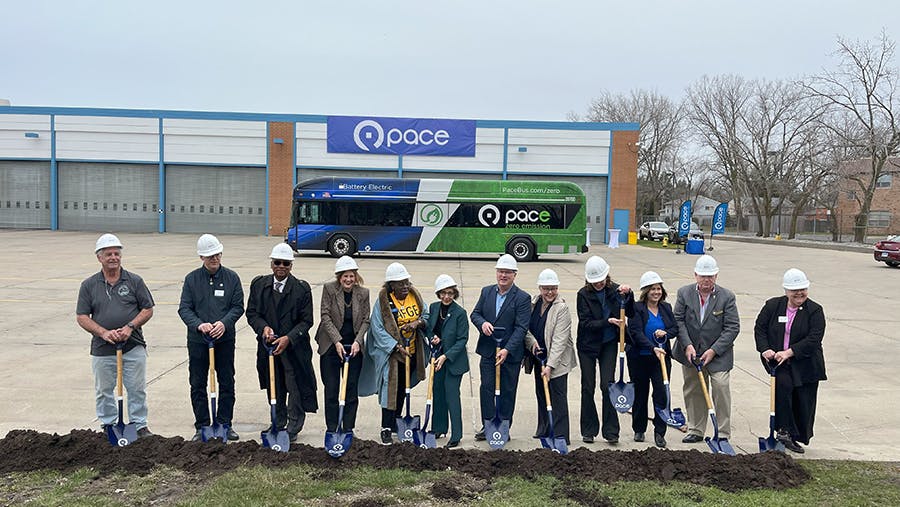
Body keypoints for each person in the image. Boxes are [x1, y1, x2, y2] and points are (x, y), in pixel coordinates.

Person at [76, 234, 155, 437]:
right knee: (104, 390)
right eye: (108, 254)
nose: (113, 257)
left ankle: (139, 425)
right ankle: (109, 425)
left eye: (116, 253)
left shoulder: (135, 281)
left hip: (132, 345)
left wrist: (130, 326)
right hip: (103, 348)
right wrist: (103, 332)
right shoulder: (89, 285)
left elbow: (147, 309)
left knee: (137, 388)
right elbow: (82, 316)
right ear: (99, 257)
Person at [246, 243, 317, 442]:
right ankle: (278, 420)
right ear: (271, 264)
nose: (281, 266)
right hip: (269, 348)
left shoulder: (301, 289)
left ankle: (294, 425)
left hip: (294, 349)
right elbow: (252, 313)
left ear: (291, 266)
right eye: (277, 262)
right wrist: (263, 329)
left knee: (295, 387)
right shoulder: (259, 285)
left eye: (286, 263)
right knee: (274, 385)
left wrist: (289, 338)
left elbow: (307, 320)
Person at [178, 234, 244, 441]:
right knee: (197, 383)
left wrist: (224, 323)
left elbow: (238, 307)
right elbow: (184, 309)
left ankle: (225, 423)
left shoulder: (232, 278)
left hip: (224, 340)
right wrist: (199, 325)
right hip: (198, 341)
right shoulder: (191, 279)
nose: (214, 259)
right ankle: (202, 425)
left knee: (226, 381)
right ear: (201, 258)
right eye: (209, 256)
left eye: (216, 255)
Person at [754, 268, 826, 454]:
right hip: (778, 361)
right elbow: (760, 329)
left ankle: (796, 435)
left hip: (805, 362)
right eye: (795, 290)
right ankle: (784, 431)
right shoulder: (772, 306)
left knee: (803, 399)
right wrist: (765, 349)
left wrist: (790, 352)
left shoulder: (815, 310)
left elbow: (814, 338)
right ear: (786, 290)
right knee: (783, 388)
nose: (799, 293)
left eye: (803, 289)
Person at [672, 254, 740, 445]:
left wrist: (714, 350)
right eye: (702, 276)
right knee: (694, 389)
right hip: (691, 353)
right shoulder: (684, 293)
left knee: (720, 386)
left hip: (718, 354)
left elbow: (732, 327)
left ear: (716, 276)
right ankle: (696, 429)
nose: (706, 280)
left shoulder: (727, 297)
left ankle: (723, 432)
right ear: (695, 275)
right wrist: (688, 345)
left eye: (710, 276)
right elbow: (678, 320)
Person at [359, 262, 429, 445]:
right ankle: (386, 428)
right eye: (400, 283)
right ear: (391, 285)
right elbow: (377, 328)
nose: (405, 286)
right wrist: (396, 347)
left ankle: (398, 421)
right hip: (393, 355)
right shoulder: (383, 303)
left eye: (406, 282)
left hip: (412, 352)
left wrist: (417, 323)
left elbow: (426, 314)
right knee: (389, 391)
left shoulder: (415, 296)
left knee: (402, 391)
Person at [471, 254, 531, 441]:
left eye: (507, 272)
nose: (503, 275)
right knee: (487, 388)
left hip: (510, 355)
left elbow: (522, 328)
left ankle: (503, 426)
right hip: (489, 351)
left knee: (507, 391)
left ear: (514, 274)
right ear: (496, 273)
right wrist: (482, 324)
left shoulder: (522, 298)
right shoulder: (486, 292)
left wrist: (507, 350)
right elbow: (475, 314)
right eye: (500, 271)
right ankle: (488, 425)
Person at [576, 255, 634, 444]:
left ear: (607, 276)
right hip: (587, 345)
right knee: (588, 386)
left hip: (608, 343)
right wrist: (607, 322)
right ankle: (588, 430)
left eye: (601, 280)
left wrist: (629, 295)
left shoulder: (616, 291)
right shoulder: (583, 295)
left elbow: (630, 312)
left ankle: (611, 432)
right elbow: (585, 323)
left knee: (607, 385)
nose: (598, 284)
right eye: (594, 282)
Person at [315, 255, 370, 436]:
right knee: (332, 388)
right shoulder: (329, 289)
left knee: (350, 389)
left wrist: (357, 342)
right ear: (339, 277)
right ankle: (332, 428)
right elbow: (325, 316)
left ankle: (348, 428)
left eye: (351, 276)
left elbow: (365, 320)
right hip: (331, 346)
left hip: (353, 347)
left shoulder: (363, 293)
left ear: (355, 276)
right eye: (344, 276)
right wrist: (337, 341)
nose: (348, 279)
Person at [626, 271, 679, 448]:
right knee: (640, 394)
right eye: (652, 289)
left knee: (661, 395)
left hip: (661, 360)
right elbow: (636, 332)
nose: (656, 292)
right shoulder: (637, 308)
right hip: (640, 358)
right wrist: (652, 347)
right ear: (646, 291)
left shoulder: (666, 308)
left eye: (658, 289)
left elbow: (674, 328)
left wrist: (666, 333)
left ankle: (659, 432)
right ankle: (639, 429)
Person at [524, 269, 577, 445]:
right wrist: (532, 344)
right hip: (538, 357)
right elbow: (526, 329)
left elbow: (560, 341)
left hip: (557, 361)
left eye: (553, 288)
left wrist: (550, 366)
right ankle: (544, 428)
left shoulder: (562, 309)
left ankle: (561, 435)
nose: (549, 292)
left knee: (558, 396)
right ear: (540, 288)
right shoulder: (533, 304)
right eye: (546, 288)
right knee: (541, 393)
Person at [424, 274, 470, 448]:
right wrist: (433, 337)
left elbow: (462, 339)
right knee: (438, 393)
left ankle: (456, 434)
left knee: (452, 396)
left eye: (450, 293)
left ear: (454, 293)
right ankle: (438, 428)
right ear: (438, 293)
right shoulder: (434, 308)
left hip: (453, 362)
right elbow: (428, 329)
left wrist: (446, 356)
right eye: (443, 293)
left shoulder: (460, 313)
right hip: (437, 359)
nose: (446, 296)